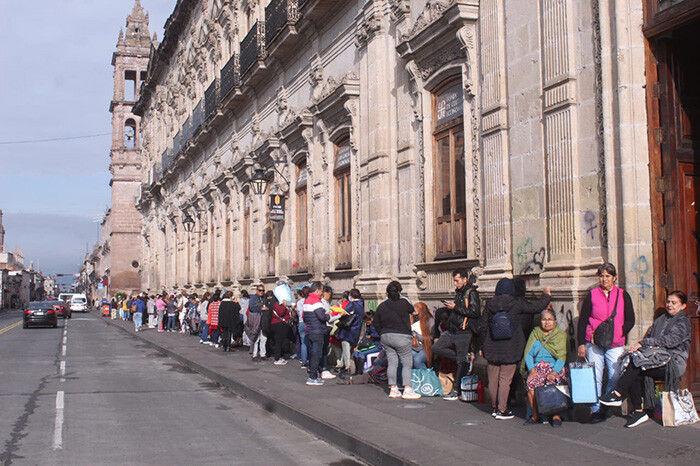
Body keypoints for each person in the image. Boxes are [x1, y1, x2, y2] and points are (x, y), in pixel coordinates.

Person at [600, 290, 692, 428]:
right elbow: (649, 336)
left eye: (674, 303)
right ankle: (637, 411)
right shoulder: (661, 320)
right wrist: (638, 348)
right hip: (656, 357)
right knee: (633, 363)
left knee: (637, 366)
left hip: (673, 361)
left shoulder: (683, 322)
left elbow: (670, 341)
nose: (669, 305)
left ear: (683, 306)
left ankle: (620, 395)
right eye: (668, 302)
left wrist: (643, 344)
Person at [481, 278, 551, 420]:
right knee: (505, 380)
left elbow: (483, 327)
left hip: (492, 347)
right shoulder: (516, 304)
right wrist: (547, 296)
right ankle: (502, 409)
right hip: (511, 347)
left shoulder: (489, 305)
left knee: (493, 379)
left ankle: (494, 408)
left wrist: (482, 345)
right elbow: (536, 309)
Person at [577, 262, 635, 422]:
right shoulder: (592, 294)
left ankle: (605, 404)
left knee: (615, 375)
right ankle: (595, 409)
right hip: (594, 342)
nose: (604, 279)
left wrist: (620, 333)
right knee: (595, 375)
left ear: (614, 278)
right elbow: (583, 319)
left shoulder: (623, 295)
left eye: (608, 276)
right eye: (601, 276)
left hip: (615, 343)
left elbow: (631, 319)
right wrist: (581, 342)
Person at [432, 268, 482, 401]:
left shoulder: (471, 293)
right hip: (452, 330)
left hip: (463, 331)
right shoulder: (459, 293)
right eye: (454, 280)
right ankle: (463, 359)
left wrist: (455, 307)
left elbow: (474, 312)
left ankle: (456, 390)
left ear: (465, 279)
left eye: (457, 280)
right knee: (436, 348)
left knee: (460, 361)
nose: (455, 283)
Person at [373, 282, 421, 400]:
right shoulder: (404, 302)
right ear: (399, 291)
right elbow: (413, 311)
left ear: (387, 293)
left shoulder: (382, 306)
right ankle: (407, 389)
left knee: (392, 363)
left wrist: (382, 332)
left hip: (386, 336)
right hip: (402, 336)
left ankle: (393, 388)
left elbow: (375, 322)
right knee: (406, 363)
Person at [520, 309, 568, 427]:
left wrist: (555, 372)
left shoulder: (560, 335)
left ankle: (556, 415)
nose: (547, 322)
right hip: (537, 367)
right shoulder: (535, 333)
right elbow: (528, 354)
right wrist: (532, 369)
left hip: (554, 367)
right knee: (531, 383)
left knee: (555, 382)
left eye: (550, 320)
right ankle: (535, 415)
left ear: (555, 322)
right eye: (544, 320)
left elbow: (562, 356)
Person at [304, 282, 330, 386]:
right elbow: (322, 317)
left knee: (313, 353)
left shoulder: (307, 301)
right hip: (317, 330)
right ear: (317, 290)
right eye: (321, 290)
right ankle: (313, 377)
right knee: (316, 354)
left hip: (310, 329)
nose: (322, 292)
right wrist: (327, 315)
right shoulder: (316, 302)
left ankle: (313, 375)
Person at [335, 289, 365, 379]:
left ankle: (346, 367)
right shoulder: (361, 304)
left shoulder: (352, 304)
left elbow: (344, 312)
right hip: (356, 329)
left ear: (351, 296)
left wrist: (339, 310)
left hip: (347, 329)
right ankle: (343, 365)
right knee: (349, 348)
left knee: (346, 348)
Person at [269, 295, 293, 364]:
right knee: (278, 342)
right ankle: (277, 358)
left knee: (280, 341)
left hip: (279, 324)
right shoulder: (277, 304)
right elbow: (280, 312)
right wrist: (284, 306)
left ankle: (280, 356)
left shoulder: (276, 303)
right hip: (279, 324)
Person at [247, 285, 268, 360]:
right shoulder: (253, 298)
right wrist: (261, 308)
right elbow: (251, 308)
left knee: (264, 337)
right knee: (256, 337)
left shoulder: (264, 298)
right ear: (256, 290)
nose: (261, 292)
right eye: (260, 290)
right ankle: (254, 354)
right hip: (256, 319)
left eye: (263, 290)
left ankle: (263, 354)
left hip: (263, 320)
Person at [411, 302, 434, 370]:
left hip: (425, 347)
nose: (414, 314)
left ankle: (426, 376)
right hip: (413, 347)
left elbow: (431, 338)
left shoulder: (431, 321)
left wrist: (417, 336)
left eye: (416, 312)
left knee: (417, 360)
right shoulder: (412, 320)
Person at [296, 287, 310, 368]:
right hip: (308, 323)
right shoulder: (310, 301)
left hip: (301, 322)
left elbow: (299, 313)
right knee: (310, 342)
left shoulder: (299, 302)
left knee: (303, 343)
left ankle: (304, 361)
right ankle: (310, 359)